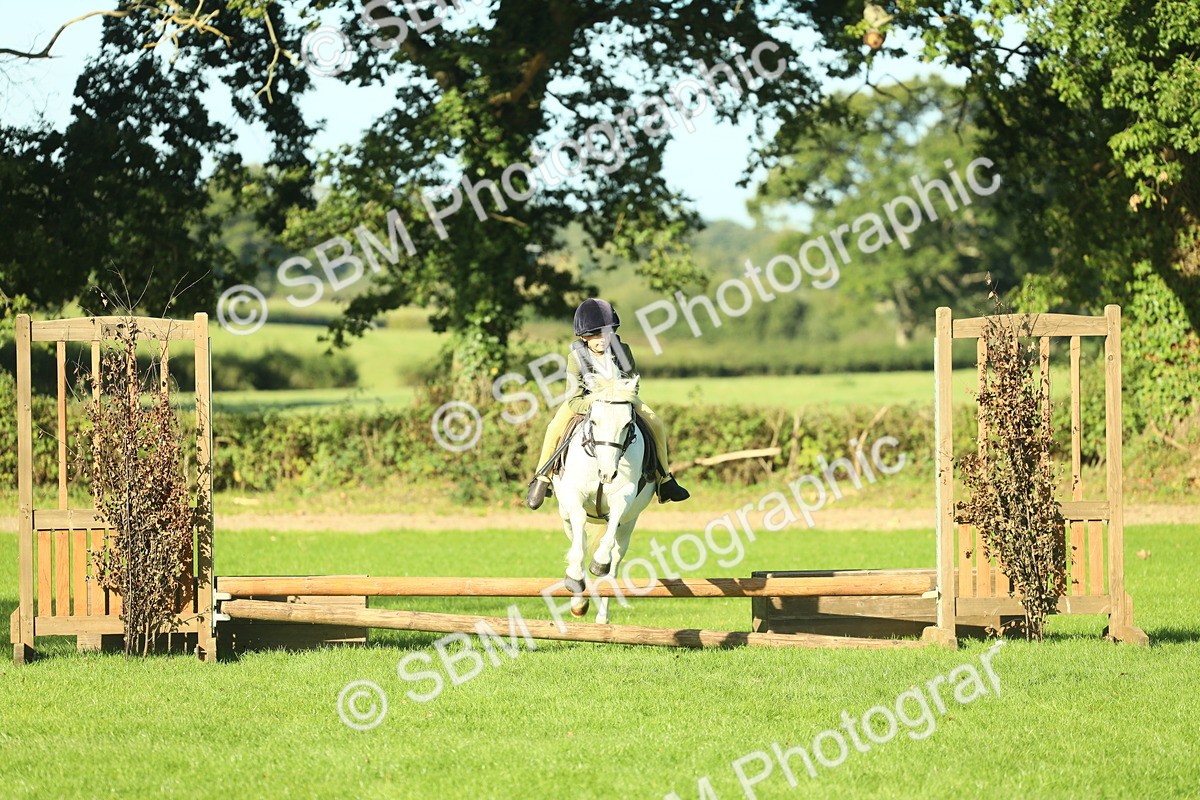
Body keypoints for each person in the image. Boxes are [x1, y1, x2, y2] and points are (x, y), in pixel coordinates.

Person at [525, 298, 690, 510]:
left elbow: (633, 383)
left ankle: (664, 479)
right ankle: (542, 477)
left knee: (656, 423)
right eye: (594, 335)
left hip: (621, 400)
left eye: (606, 333)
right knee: (554, 427)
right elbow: (573, 398)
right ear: (583, 337)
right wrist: (597, 407)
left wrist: (618, 401)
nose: (601, 339)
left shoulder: (623, 350)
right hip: (585, 402)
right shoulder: (576, 357)